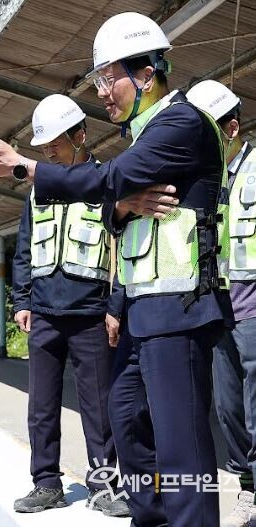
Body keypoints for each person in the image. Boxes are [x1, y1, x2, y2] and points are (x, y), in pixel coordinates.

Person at [0, 12, 231, 527]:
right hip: (142, 314)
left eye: (109, 78)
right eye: (98, 80)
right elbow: (112, 207)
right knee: (126, 421)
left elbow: (114, 178)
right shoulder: (145, 133)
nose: (102, 92)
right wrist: (125, 205)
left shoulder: (181, 121)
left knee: (183, 446)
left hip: (180, 310)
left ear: (146, 72)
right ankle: (151, 518)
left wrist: (27, 166)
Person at [11, 94, 128, 517]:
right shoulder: (38, 190)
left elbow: (124, 250)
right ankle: (46, 484)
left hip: (91, 316)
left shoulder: (107, 183)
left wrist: (115, 306)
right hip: (43, 313)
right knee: (41, 406)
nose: (49, 154)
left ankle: (104, 487)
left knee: (99, 408)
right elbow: (23, 248)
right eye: (43, 149)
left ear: (81, 135)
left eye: (55, 145)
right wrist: (21, 300)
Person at [188, 79, 256, 527]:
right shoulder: (207, 182)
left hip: (254, 307)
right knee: (228, 408)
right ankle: (247, 486)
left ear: (230, 128)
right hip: (219, 308)